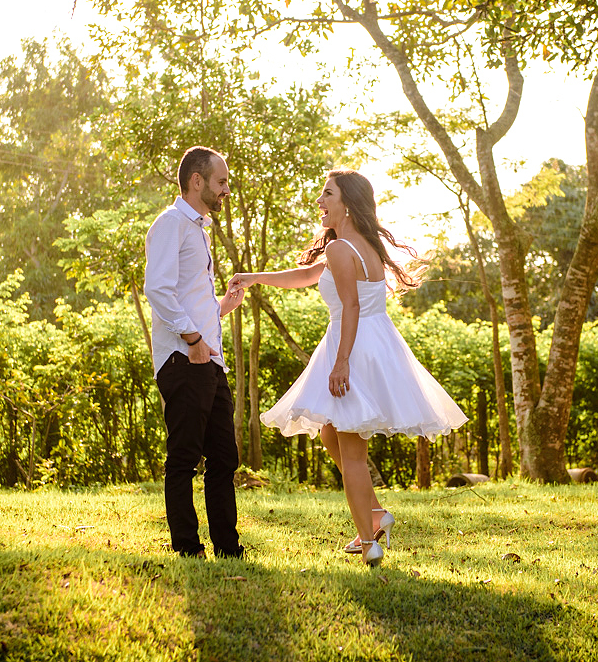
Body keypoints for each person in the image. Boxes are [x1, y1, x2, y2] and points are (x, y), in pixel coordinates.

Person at [231, 169, 467, 567]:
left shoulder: (342, 249)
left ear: (347, 202)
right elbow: (308, 275)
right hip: (374, 343)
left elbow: (352, 307)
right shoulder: (358, 246)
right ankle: (375, 514)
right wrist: (254, 278)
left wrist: (341, 363)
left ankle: (368, 541)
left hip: (352, 347)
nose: (320, 202)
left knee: (353, 452)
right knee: (329, 433)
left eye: (327, 194)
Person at [144, 146, 246, 559]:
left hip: (208, 359)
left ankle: (228, 548)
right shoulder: (171, 224)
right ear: (197, 181)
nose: (226, 189)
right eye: (221, 181)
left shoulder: (199, 230)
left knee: (224, 457)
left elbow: (185, 296)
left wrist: (220, 308)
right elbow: (158, 290)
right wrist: (191, 338)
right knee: (184, 457)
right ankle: (187, 547)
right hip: (183, 359)